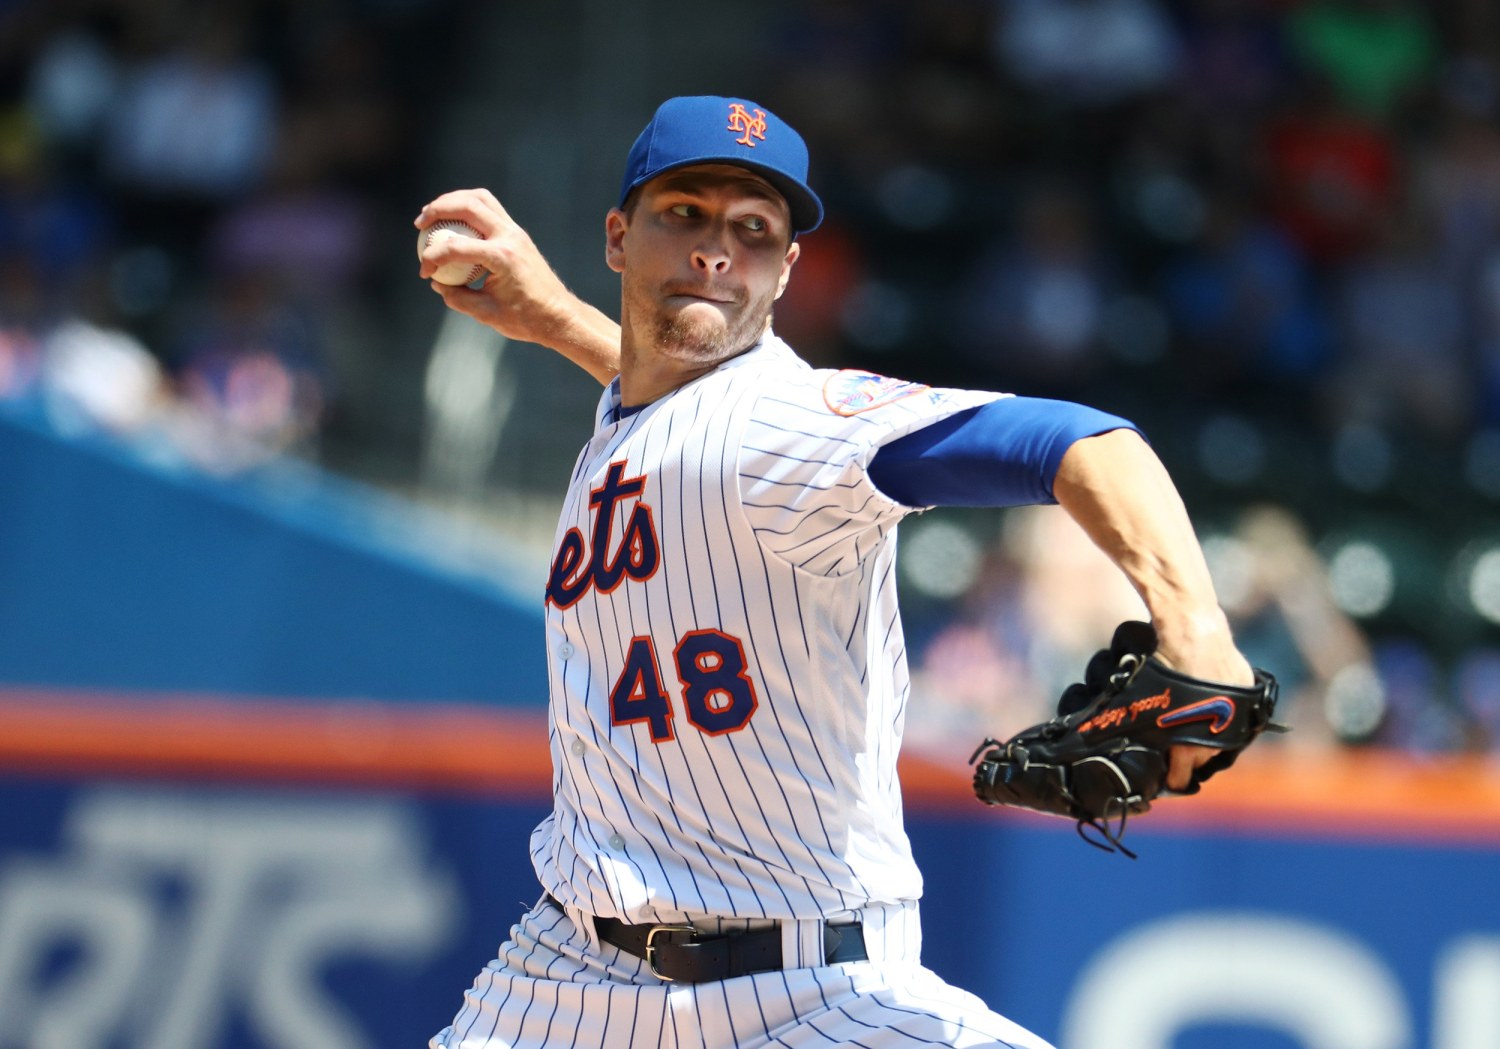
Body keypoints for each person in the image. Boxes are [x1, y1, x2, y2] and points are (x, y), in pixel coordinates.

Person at [415, 95, 1255, 1049]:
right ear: (617, 237)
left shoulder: (794, 421)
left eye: (753, 231)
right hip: (567, 975)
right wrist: (557, 318)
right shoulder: (646, 415)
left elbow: (1081, 439)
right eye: (683, 213)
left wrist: (1197, 629)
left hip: (811, 991)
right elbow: (675, 418)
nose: (716, 250)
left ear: (787, 271)